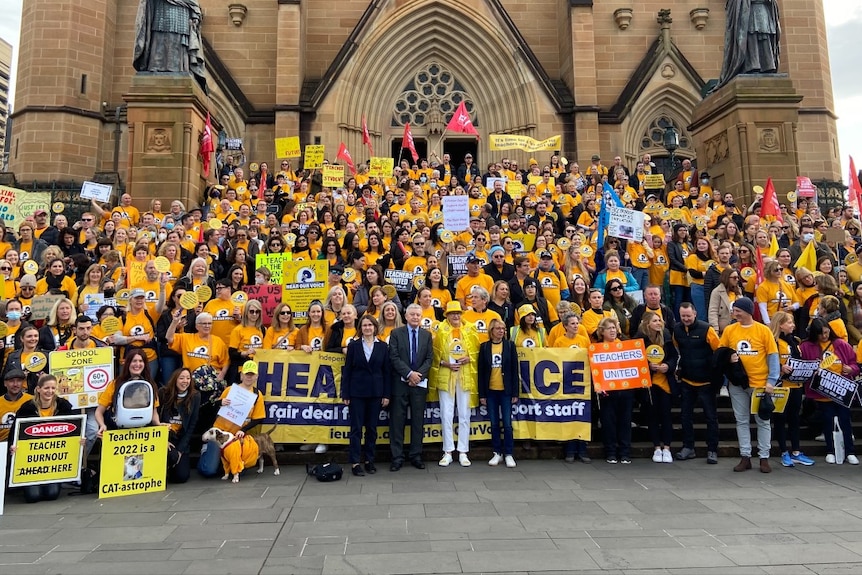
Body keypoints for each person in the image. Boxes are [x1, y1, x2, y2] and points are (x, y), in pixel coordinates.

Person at [719, 297, 780, 473]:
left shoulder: (763, 330)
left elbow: (773, 356)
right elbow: (721, 352)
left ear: (747, 311)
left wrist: (771, 381)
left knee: (763, 421)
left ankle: (764, 457)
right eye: (734, 310)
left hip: (760, 384)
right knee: (741, 420)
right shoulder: (730, 330)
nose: (734, 313)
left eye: (738, 311)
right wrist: (728, 357)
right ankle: (745, 456)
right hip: (737, 384)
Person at [10, 374, 83, 503]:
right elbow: (14, 433)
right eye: (46, 388)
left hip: (53, 462)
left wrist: (80, 441)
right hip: (31, 462)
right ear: (38, 389)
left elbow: (75, 430)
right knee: (33, 497)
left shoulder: (64, 406)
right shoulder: (27, 408)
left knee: (52, 494)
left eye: (53, 388)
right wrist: (13, 447)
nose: (50, 391)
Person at [802, 318, 858, 464]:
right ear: (815, 334)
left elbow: (854, 363)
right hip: (823, 393)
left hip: (842, 391)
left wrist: (851, 369)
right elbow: (804, 367)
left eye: (826, 333)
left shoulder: (840, 344)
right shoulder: (807, 346)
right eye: (821, 334)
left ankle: (850, 451)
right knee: (827, 422)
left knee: (845, 421)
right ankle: (830, 451)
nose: (824, 336)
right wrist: (812, 372)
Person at [432, 301, 480, 467]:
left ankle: (463, 451)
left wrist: (469, 359)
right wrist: (446, 364)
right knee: (446, 413)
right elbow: (435, 354)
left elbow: (477, 352)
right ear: (447, 315)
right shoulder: (440, 330)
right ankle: (447, 451)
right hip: (447, 375)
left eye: (458, 313)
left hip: (465, 376)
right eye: (452, 313)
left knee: (464, 414)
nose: (455, 316)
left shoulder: (470, 329)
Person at [341, 315, 390, 476]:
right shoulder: (354, 346)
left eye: (370, 325)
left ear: (375, 327)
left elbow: (386, 373)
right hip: (357, 393)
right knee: (356, 428)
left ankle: (369, 460)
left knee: (372, 429)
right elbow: (347, 371)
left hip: (376, 393)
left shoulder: (383, 347)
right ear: (360, 328)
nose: (367, 328)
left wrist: (386, 394)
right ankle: (355, 462)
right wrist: (345, 393)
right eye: (364, 325)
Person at [388, 303, 434, 471]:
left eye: (418, 315)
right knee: (397, 421)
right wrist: (409, 374)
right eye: (412, 315)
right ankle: (397, 457)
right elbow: (393, 357)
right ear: (406, 316)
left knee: (417, 421)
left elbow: (429, 359)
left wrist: (417, 375)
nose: (415, 317)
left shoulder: (426, 335)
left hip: (419, 385)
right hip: (400, 384)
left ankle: (416, 455)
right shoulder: (396, 333)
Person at [673, 303, 721, 463]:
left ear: (695, 314)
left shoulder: (707, 329)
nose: (686, 319)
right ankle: (688, 447)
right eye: (683, 316)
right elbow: (676, 349)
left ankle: (712, 450)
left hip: (706, 381)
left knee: (710, 417)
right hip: (687, 380)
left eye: (688, 315)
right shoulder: (677, 330)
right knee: (685, 416)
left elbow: (718, 350)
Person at [770, 312, 814, 468]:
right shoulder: (774, 342)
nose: (793, 325)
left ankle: (796, 451)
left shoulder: (796, 341)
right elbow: (767, 362)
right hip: (781, 387)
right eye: (790, 323)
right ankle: (783, 452)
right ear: (780, 324)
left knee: (795, 419)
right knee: (780, 419)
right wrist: (780, 368)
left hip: (796, 386)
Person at [133, 0, 206, 90]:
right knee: (158, 42)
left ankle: (180, 69)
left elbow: (193, 2)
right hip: (160, 13)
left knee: (178, 47)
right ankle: (155, 67)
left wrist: (195, 15)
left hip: (181, 16)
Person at [636, 312, 678, 464]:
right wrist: (648, 366)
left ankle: (666, 448)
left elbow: (674, 356)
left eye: (659, 320)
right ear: (648, 324)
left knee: (666, 415)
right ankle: (656, 448)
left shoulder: (666, 336)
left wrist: (668, 366)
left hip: (665, 382)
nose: (659, 322)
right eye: (655, 320)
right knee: (652, 416)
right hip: (649, 384)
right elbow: (635, 360)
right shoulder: (640, 339)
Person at [478, 318, 519, 468]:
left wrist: (515, 392)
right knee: (494, 423)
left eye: (503, 328)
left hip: (506, 391)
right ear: (491, 331)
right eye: (498, 328)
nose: (501, 331)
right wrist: (482, 394)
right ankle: (497, 452)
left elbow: (515, 370)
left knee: (507, 424)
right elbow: (481, 373)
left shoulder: (509, 346)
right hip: (491, 391)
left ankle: (508, 453)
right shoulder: (484, 347)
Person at [94, 349, 162, 437]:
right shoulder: (115, 384)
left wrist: (159, 425)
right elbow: (98, 412)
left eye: (141, 361)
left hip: (142, 432)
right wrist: (102, 425)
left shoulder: (150, 385)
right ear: (128, 364)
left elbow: (154, 412)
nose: (137, 364)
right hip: (118, 431)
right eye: (134, 361)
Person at [594, 317, 634, 464]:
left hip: (625, 390)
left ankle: (625, 452)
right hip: (607, 392)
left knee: (625, 421)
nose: (612, 330)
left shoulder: (625, 346)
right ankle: (610, 452)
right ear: (602, 331)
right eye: (609, 328)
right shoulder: (597, 348)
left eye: (614, 327)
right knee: (608, 422)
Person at [717, 0, 781, 88]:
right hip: (749, 12)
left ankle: (767, 65)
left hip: (763, 11)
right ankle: (752, 65)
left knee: (765, 37)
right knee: (751, 37)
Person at [158, 367, 200, 483]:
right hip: (165, 436)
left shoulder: (195, 396)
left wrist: (180, 450)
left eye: (188, 378)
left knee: (181, 477)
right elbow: (155, 418)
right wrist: (163, 440)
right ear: (175, 379)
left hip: (180, 438)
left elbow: (192, 425)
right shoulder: (163, 393)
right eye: (181, 378)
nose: (185, 381)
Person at [0, 369, 33, 442]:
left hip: (25, 442)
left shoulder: (32, 401)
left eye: (19, 381)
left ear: (23, 383)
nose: (15, 384)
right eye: (11, 381)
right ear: (5, 383)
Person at [708, 267, 741, 334]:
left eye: (738, 277)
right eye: (734, 278)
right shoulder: (717, 291)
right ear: (727, 278)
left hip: (738, 325)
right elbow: (713, 311)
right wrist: (715, 329)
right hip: (724, 327)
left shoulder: (738, 290)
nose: (737, 280)